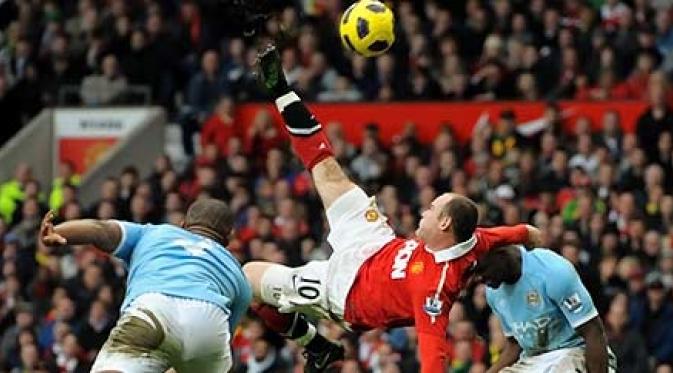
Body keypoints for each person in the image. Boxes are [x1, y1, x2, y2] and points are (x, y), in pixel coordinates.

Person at [242, 44, 543, 373]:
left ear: (444, 224)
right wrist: (541, 268)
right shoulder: (474, 239)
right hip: (375, 242)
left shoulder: (434, 290)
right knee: (328, 171)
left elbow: (433, 361)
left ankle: (316, 345)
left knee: (248, 279)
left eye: (431, 208)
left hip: (347, 291)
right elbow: (526, 232)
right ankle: (282, 91)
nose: (423, 211)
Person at [39, 198, 252, 373]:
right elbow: (226, 333)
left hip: (154, 307)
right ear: (229, 237)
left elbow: (100, 229)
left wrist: (59, 231)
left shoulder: (155, 233)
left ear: (183, 225)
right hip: (209, 322)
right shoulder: (237, 273)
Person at [469, 245, 615, 373]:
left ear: (500, 253)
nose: (478, 279)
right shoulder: (493, 292)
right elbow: (515, 345)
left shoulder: (552, 271)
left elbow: (593, 332)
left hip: (575, 351)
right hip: (534, 361)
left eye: (481, 269)